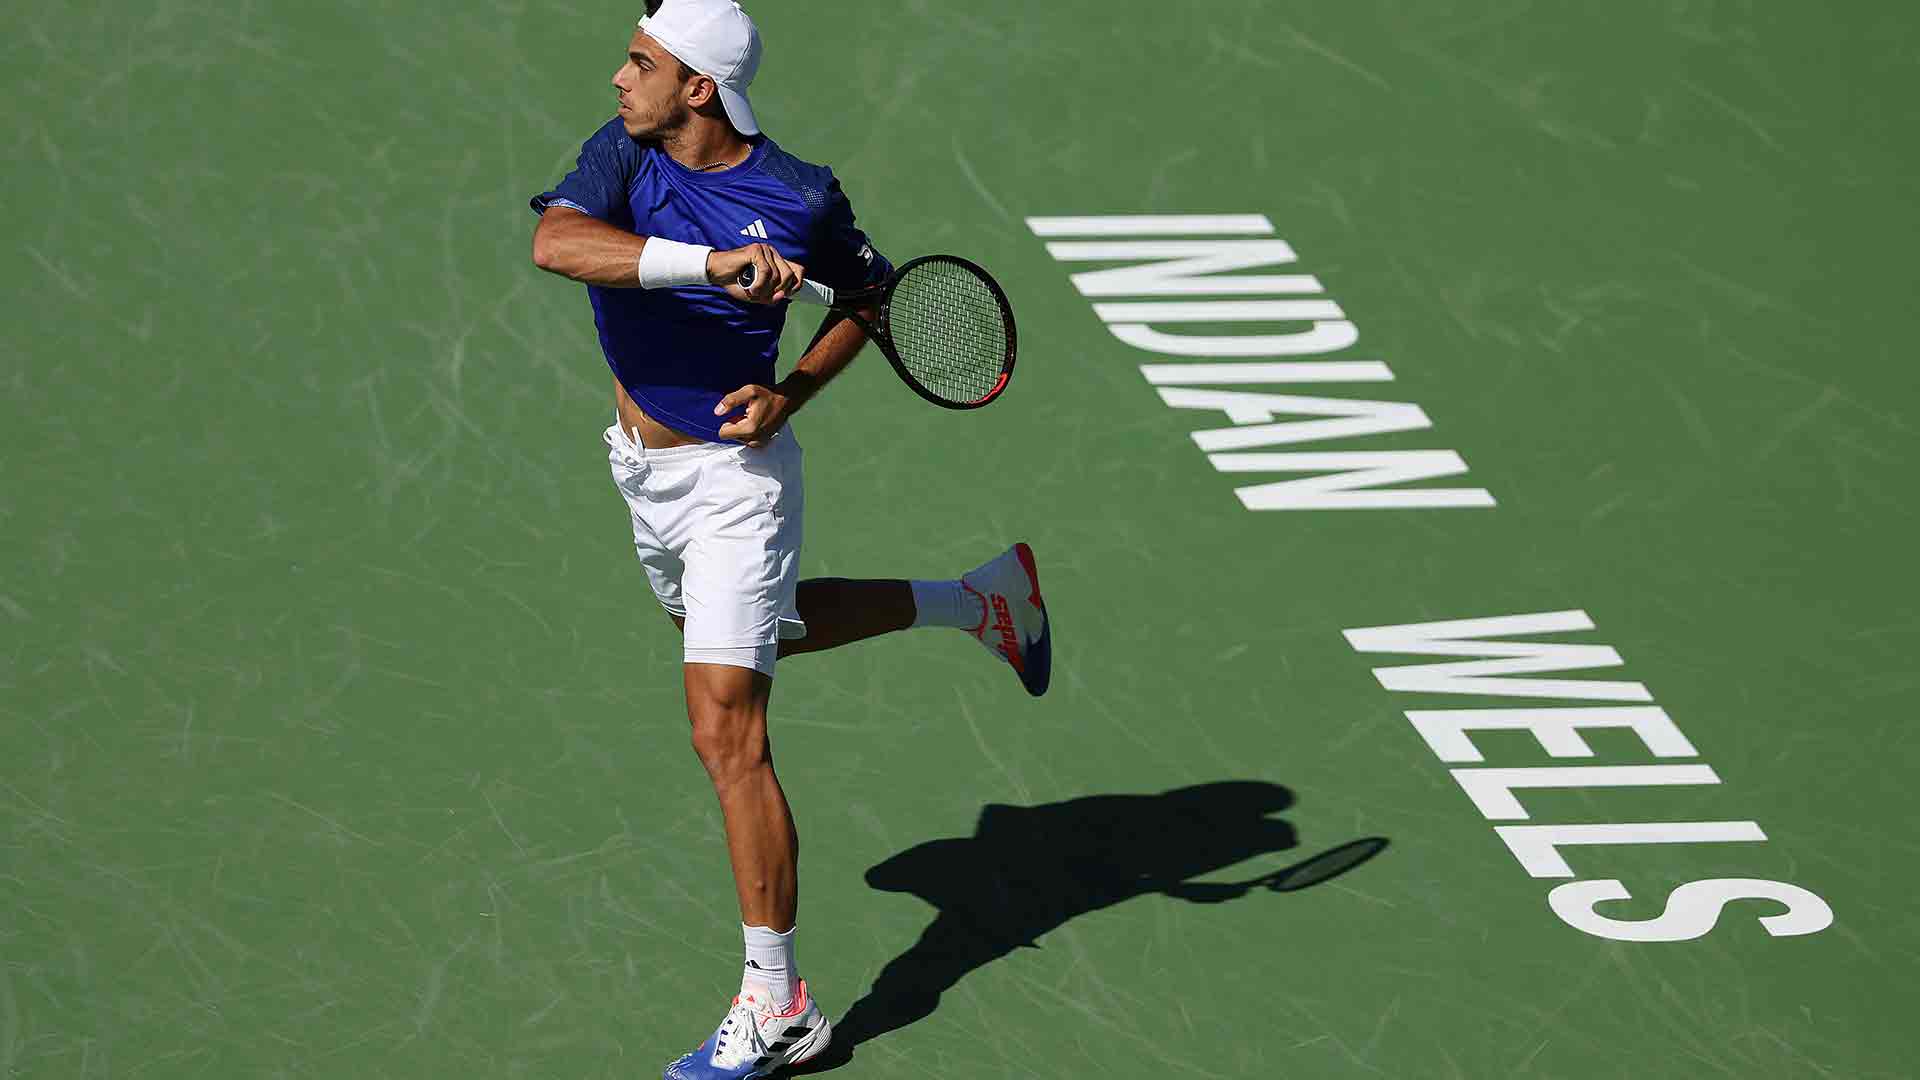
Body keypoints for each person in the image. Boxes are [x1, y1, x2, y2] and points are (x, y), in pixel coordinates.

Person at [527, 2, 1052, 1076]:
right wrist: (710, 265)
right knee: (757, 633)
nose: (619, 78)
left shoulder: (800, 195)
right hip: (644, 474)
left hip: (732, 483)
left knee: (725, 730)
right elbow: (557, 244)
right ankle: (980, 600)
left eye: (642, 63)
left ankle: (779, 1003)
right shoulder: (620, 151)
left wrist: (789, 397)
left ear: (698, 89)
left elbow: (868, 298)